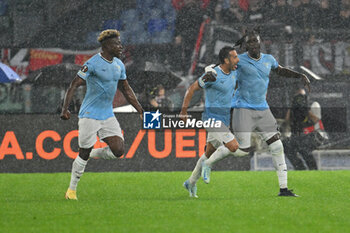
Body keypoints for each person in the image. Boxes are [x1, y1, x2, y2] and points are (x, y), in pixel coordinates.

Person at [60, 29, 144, 200]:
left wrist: (140, 110)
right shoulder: (92, 64)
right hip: (89, 114)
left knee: (118, 150)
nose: (120, 46)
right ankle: (71, 191)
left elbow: (126, 89)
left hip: (107, 115)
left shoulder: (119, 65)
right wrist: (65, 109)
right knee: (82, 154)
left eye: (120, 43)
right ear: (106, 46)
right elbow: (74, 85)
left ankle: (92, 153)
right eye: (116, 44)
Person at [230, 28, 310, 197]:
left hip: (263, 110)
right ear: (245, 44)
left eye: (255, 41)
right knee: (241, 151)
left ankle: (283, 189)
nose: (253, 44)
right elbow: (225, 70)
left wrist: (299, 75)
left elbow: (280, 70)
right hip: (243, 108)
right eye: (250, 41)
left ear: (260, 42)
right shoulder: (239, 60)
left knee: (277, 146)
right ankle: (213, 153)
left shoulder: (269, 59)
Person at [180, 46, 241, 198]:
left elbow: (238, 83)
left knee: (208, 154)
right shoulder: (211, 75)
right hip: (211, 119)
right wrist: (184, 111)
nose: (237, 59)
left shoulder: (234, 72)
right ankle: (208, 165)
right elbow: (191, 89)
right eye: (234, 57)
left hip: (224, 119)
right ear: (226, 60)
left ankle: (191, 182)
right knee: (233, 146)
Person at [283, 87, 328, 170]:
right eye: (298, 97)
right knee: (286, 144)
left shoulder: (313, 104)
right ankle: (300, 168)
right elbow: (287, 121)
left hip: (313, 135)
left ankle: (313, 169)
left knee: (302, 144)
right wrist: (292, 106)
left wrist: (306, 110)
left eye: (302, 96)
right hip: (298, 136)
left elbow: (316, 120)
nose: (300, 99)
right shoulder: (293, 107)